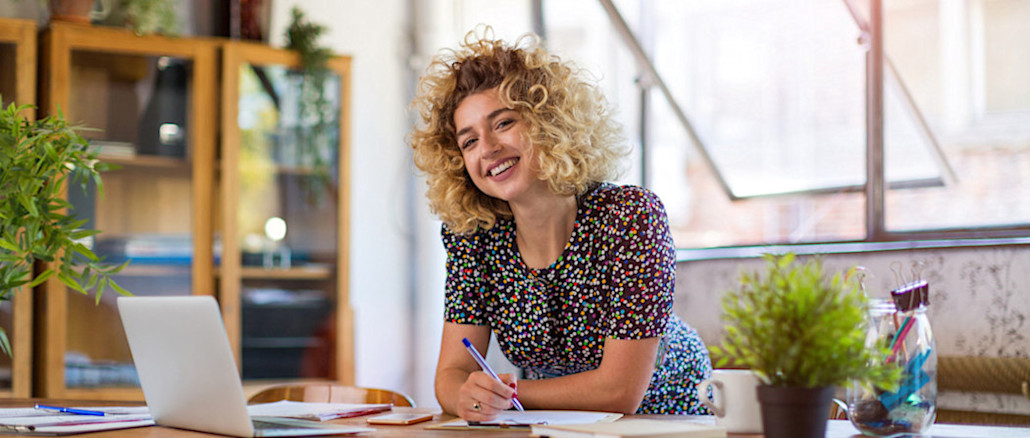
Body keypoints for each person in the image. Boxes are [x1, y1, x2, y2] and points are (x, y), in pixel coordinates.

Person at [409, 27, 712, 421]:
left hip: (669, 421)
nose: (487, 148)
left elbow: (619, 392)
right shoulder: (474, 236)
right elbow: (451, 374)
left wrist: (507, 394)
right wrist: (467, 396)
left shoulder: (630, 217)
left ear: (548, 122)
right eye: (468, 141)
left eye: (503, 123)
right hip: (559, 423)